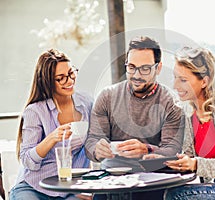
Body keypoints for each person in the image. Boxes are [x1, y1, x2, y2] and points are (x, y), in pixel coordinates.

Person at [84, 36, 184, 200]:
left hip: (152, 177)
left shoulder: (170, 102)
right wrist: (97, 149)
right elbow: (91, 143)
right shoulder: (107, 96)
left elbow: (172, 150)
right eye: (131, 67)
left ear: (158, 68)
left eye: (145, 68)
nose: (136, 75)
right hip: (111, 178)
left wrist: (147, 149)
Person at [146, 46, 215, 199]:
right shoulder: (190, 113)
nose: (175, 85)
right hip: (213, 187)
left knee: (178, 196)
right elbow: (188, 157)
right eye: (175, 77)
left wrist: (196, 165)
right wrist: (163, 160)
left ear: (204, 81)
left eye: (183, 80)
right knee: (154, 192)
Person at [10, 49, 93, 200]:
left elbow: (96, 142)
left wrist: (85, 187)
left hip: (70, 189)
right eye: (61, 78)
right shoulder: (35, 111)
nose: (69, 80)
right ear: (47, 81)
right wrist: (51, 138)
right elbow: (27, 160)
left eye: (71, 73)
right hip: (34, 187)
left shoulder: (86, 103)